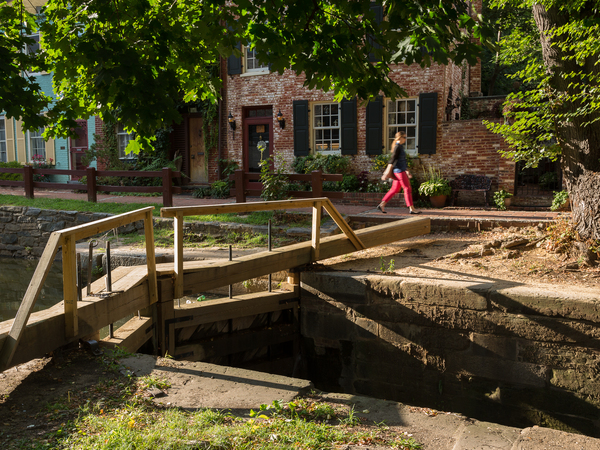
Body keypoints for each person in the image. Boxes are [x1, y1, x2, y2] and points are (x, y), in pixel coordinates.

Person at [377, 131, 420, 214]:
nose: (405, 139)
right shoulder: (397, 147)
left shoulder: (400, 147)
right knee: (407, 188)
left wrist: (407, 171)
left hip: (400, 170)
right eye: (404, 137)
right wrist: (386, 172)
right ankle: (412, 208)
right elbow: (392, 159)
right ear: (400, 138)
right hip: (399, 171)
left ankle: (382, 205)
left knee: (395, 189)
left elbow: (402, 160)